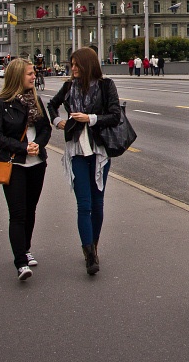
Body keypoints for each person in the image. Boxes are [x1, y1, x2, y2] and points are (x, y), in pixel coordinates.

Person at [47, 47, 121, 276]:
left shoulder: (106, 85)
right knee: (84, 204)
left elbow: (115, 115)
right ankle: (89, 254)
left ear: (87, 65)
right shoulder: (69, 86)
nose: (73, 69)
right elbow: (52, 104)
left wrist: (90, 118)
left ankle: (94, 245)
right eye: (72, 64)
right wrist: (58, 121)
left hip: (99, 150)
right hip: (77, 149)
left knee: (97, 202)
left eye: (77, 65)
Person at [0, 58, 51, 282]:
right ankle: (20, 262)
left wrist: (39, 145)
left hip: (37, 163)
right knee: (17, 213)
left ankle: (25, 248)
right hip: (13, 163)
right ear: (17, 77)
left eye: (34, 73)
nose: (34, 77)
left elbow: (45, 128)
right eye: (29, 74)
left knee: (30, 210)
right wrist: (24, 147)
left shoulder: (36, 99)